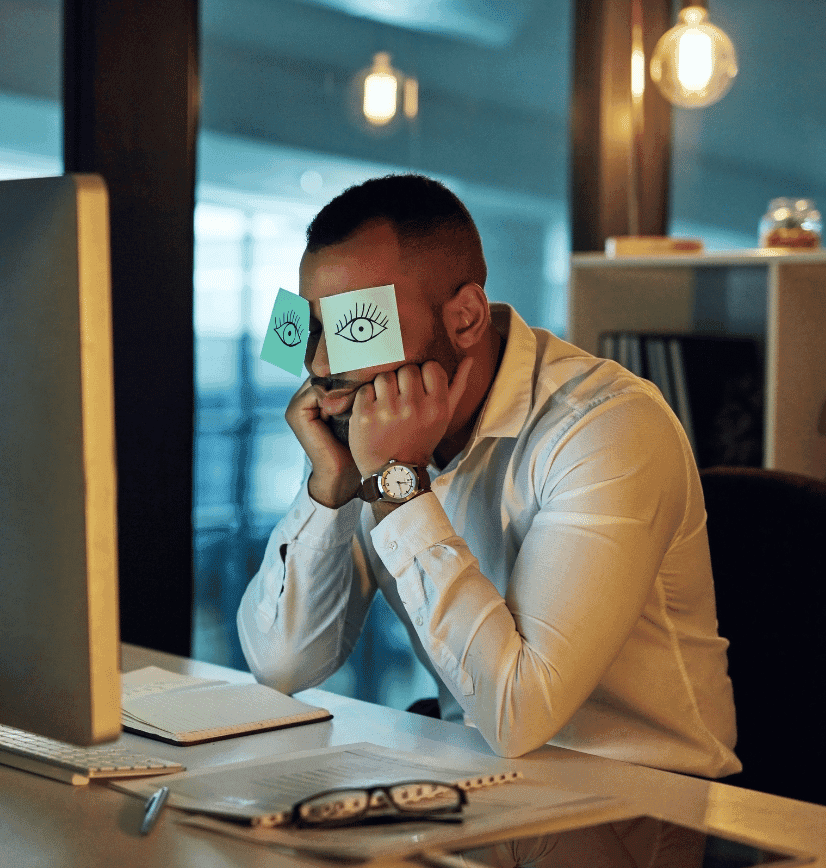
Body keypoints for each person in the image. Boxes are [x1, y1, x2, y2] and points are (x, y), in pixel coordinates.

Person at [236, 174, 740, 778]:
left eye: (356, 328)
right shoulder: (365, 425)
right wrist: (331, 487)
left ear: (466, 318)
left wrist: (397, 483)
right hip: (476, 781)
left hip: (655, 797)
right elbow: (283, 665)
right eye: (313, 327)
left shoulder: (609, 426)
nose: (321, 365)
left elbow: (518, 715)